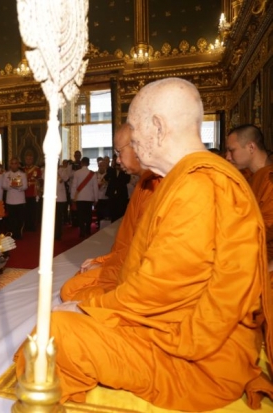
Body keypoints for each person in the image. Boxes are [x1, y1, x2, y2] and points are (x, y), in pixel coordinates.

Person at [17, 77, 273, 410]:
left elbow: (159, 292)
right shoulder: (179, 180)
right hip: (166, 327)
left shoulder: (198, 186)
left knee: (56, 334)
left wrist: (87, 309)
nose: (133, 148)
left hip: (193, 356)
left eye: (134, 137)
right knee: (65, 320)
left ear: (158, 127)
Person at [60, 123, 162, 301]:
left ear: (138, 147)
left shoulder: (161, 185)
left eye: (118, 153)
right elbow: (129, 243)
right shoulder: (144, 183)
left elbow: (147, 252)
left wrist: (104, 263)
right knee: (70, 288)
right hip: (124, 263)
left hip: (140, 275)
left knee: (71, 295)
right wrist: (104, 261)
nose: (117, 160)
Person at [225, 124, 273, 261]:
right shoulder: (250, 176)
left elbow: (265, 229)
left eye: (231, 150)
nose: (227, 157)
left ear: (251, 147)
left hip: (261, 259)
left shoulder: (269, 180)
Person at [70, 157, 98, 238]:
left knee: (81, 215)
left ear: (81, 163)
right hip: (89, 198)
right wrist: (96, 198)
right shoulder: (92, 174)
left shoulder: (77, 173)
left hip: (79, 197)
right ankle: (88, 230)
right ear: (89, 163)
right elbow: (95, 187)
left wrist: (72, 197)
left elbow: (74, 186)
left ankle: (82, 231)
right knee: (88, 214)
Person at [2, 158, 27, 240]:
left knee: (19, 218)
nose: (14, 165)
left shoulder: (22, 174)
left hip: (20, 199)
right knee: (11, 218)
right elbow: (3, 186)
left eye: (15, 163)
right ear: (10, 165)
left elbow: (25, 186)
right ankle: (11, 234)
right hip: (10, 199)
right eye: (12, 163)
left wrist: (18, 187)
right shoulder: (6, 174)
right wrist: (10, 185)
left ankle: (18, 234)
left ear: (18, 164)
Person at [105, 151, 130, 222]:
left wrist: (122, 170)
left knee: (121, 211)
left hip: (121, 194)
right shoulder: (111, 171)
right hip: (112, 194)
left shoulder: (125, 171)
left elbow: (127, 180)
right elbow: (106, 178)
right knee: (113, 211)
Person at [22, 153, 42, 231]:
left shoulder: (37, 169)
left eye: (30, 159)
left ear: (33, 160)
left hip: (33, 192)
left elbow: (40, 180)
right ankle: (26, 225)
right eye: (27, 159)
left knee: (33, 210)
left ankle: (33, 226)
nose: (28, 160)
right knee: (25, 211)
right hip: (24, 192)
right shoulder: (22, 169)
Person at [55, 162, 71, 240]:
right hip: (51, 198)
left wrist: (58, 172)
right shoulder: (47, 170)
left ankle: (58, 234)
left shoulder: (62, 170)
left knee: (58, 217)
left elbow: (66, 178)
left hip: (60, 198)